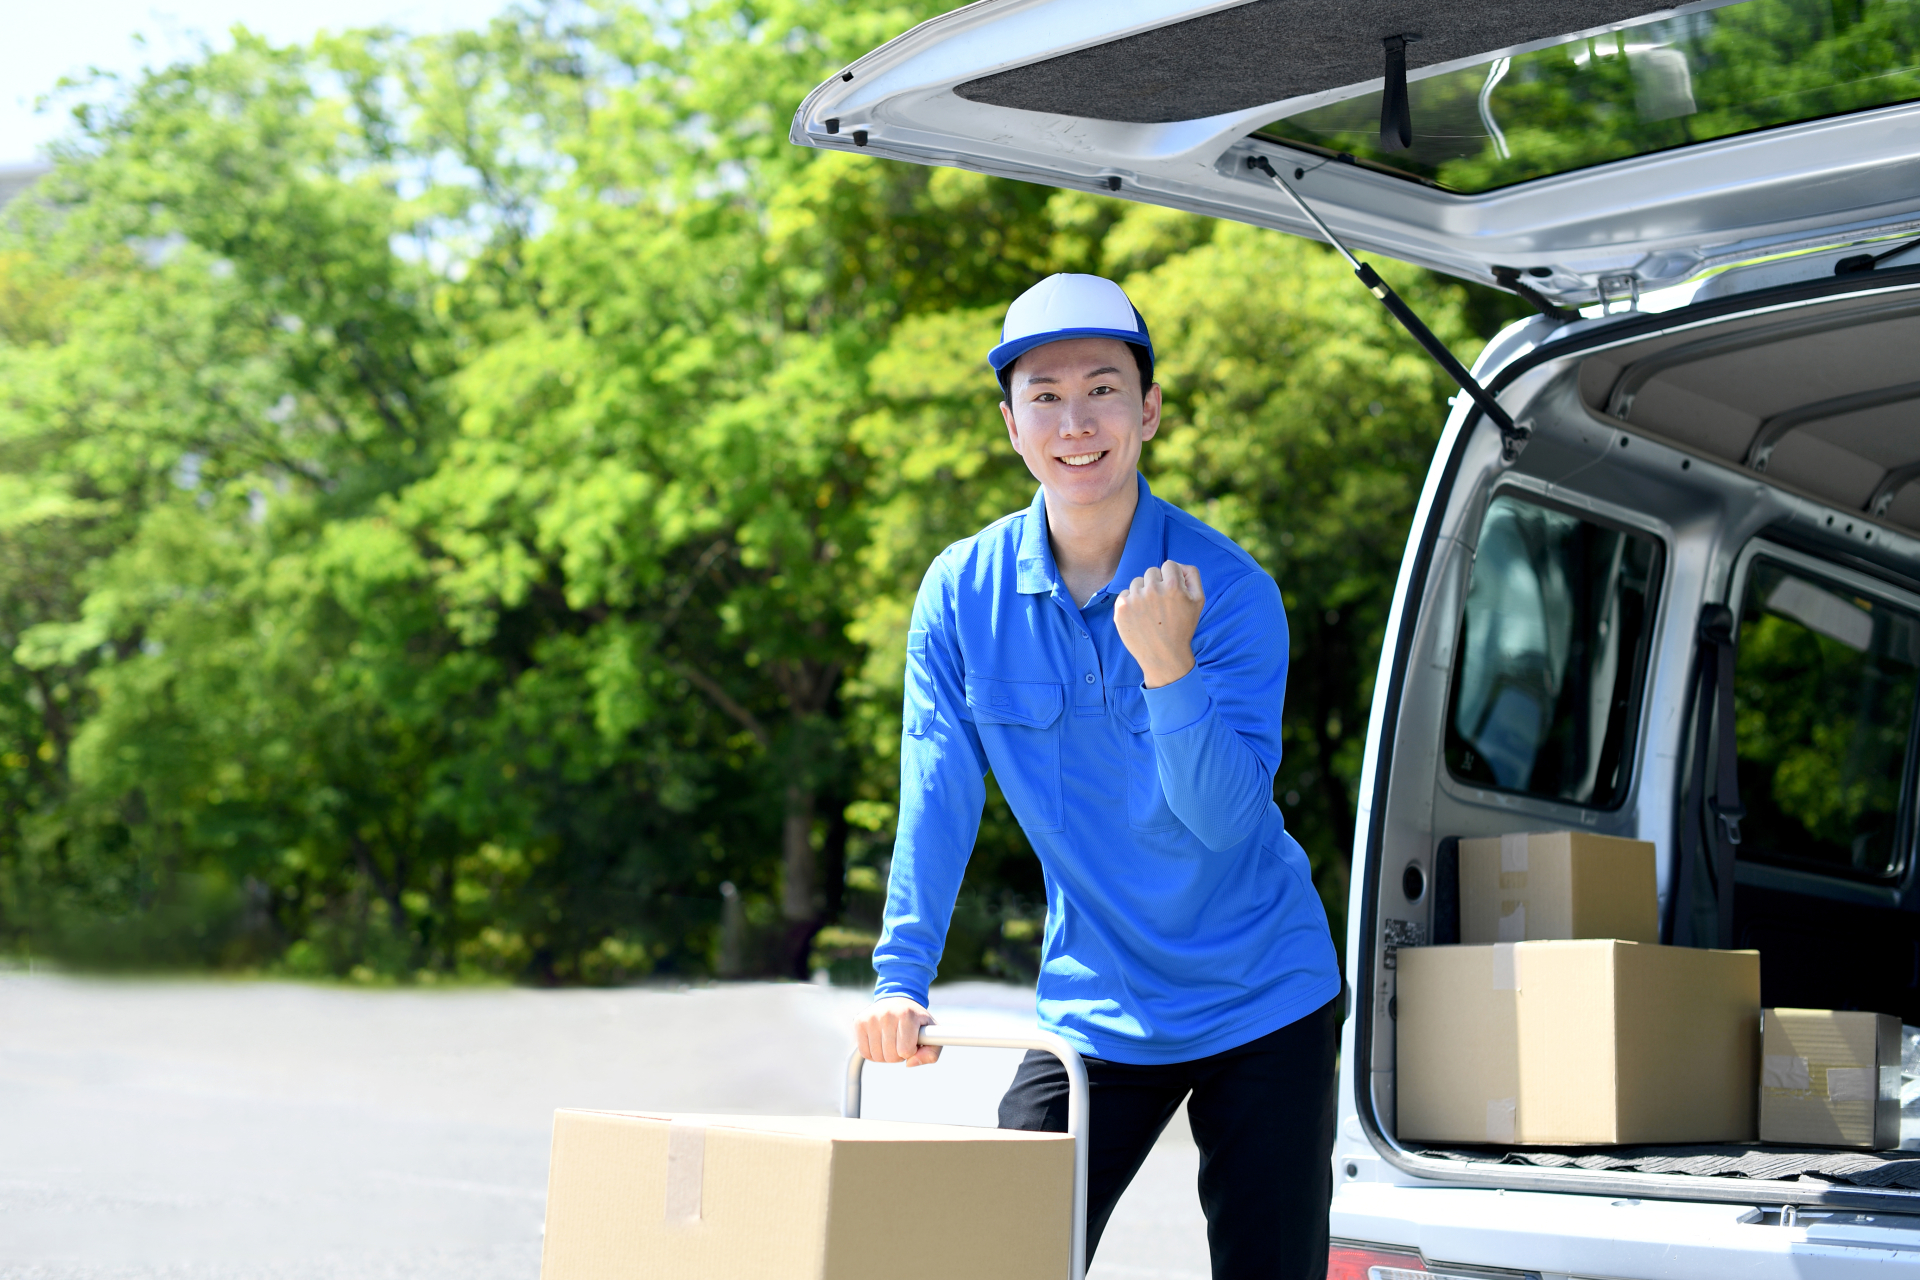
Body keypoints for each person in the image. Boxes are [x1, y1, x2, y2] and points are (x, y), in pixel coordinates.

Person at [853, 273, 1342, 1280]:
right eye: (1044, 395)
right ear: (1010, 424)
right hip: (1099, 1003)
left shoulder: (1233, 592)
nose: (1076, 421)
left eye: (1104, 388)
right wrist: (901, 977)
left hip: (1264, 997)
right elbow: (937, 792)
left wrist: (1169, 662)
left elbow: (1224, 820)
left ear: (1149, 409)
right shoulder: (960, 592)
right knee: (997, 1256)